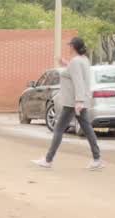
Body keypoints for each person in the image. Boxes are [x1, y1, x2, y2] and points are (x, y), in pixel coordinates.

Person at [34, 37, 103, 171]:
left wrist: (79, 101)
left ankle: (48, 160)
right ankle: (97, 158)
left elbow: (78, 81)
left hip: (73, 102)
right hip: (78, 101)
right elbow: (76, 74)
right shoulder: (83, 60)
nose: (68, 47)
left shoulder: (76, 62)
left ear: (73, 47)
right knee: (87, 129)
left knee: (59, 129)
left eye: (70, 45)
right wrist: (65, 63)